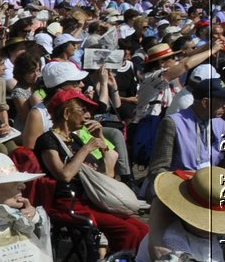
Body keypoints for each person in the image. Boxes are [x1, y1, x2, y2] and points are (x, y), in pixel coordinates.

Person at [35, 85, 149, 253]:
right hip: (69, 202)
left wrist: (100, 139)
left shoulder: (75, 138)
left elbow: (106, 175)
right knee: (128, 230)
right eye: (83, 110)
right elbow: (64, 175)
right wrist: (87, 148)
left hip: (91, 197)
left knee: (142, 228)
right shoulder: (48, 139)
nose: (88, 115)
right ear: (67, 114)